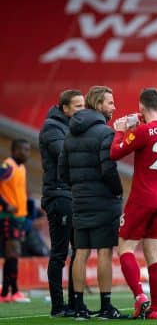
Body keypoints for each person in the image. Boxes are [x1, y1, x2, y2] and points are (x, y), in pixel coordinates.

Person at [109, 88, 157, 319]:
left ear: (141, 105)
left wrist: (120, 132)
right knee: (153, 253)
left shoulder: (143, 132)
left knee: (125, 248)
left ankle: (140, 296)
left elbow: (115, 153)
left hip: (142, 198)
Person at [58, 86, 124, 319]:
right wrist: (118, 191)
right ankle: (106, 306)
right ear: (98, 105)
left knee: (81, 252)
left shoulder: (70, 132)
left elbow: (62, 172)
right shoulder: (105, 133)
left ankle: (78, 306)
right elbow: (109, 170)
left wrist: (79, 187)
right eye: (110, 103)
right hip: (104, 201)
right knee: (104, 252)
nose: (114, 107)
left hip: (79, 200)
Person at [38, 89, 85, 316]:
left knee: (79, 250)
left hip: (72, 194)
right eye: (77, 106)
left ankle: (76, 303)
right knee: (59, 254)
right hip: (58, 195)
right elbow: (62, 155)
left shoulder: (72, 127)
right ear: (65, 108)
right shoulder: (51, 127)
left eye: (83, 106)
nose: (82, 110)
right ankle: (58, 307)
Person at [0, 139, 32, 304]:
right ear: (13, 150)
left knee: (13, 255)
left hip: (19, 218)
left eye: (27, 150)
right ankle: (10, 292)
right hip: (8, 218)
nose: (26, 153)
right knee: (13, 253)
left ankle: (9, 292)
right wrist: (5, 205)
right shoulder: (8, 166)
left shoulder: (22, 168)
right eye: (22, 150)